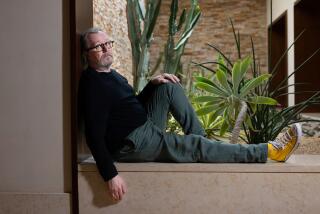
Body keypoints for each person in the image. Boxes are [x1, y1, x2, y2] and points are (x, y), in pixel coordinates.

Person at [78, 28, 302, 202]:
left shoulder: (111, 74)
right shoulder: (93, 86)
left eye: (107, 43)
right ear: (87, 55)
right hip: (134, 142)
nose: (106, 49)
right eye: (98, 47)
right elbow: (93, 134)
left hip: (142, 125)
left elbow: (130, 106)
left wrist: (151, 85)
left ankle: (202, 141)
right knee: (194, 146)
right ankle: (270, 151)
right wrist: (110, 175)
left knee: (168, 86)